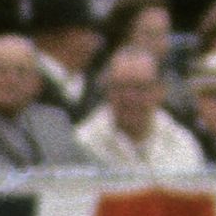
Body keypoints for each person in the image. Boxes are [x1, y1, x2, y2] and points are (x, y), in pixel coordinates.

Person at [0, 35, 93, 167]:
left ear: (38, 83)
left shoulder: (54, 120)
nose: (11, 81)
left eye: (21, 72)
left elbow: (95, 171)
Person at [76, 47, 204, 169]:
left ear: (160, 92)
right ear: (107, 90)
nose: (130, 97)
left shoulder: (181, 144)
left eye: (140, 88)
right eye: (120, 87)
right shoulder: (82, 143)